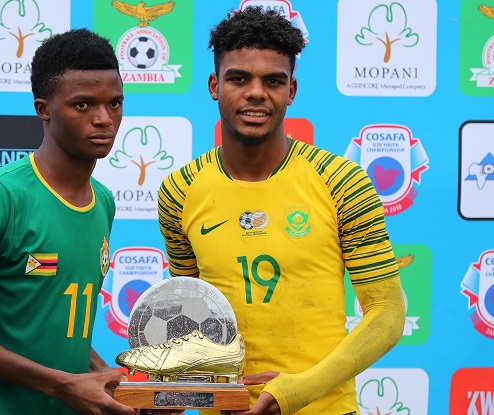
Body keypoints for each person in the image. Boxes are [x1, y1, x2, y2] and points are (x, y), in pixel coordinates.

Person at [157, 7, 406, 415]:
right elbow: (189, 314)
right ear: (214, 85)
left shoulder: (341, 180)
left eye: (273, 81)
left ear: (291, 91)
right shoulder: (179, 191)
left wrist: (298, 390)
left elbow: (388, 313)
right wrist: (172, 391)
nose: (256, 93)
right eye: (239, 78)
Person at [0, 29, 136, 415]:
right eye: (83, 105)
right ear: (43, 108)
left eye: (114, 104)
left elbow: (52, 329)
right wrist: (61, 385)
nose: (104, 119)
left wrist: (106, 377)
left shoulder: (103, 202)